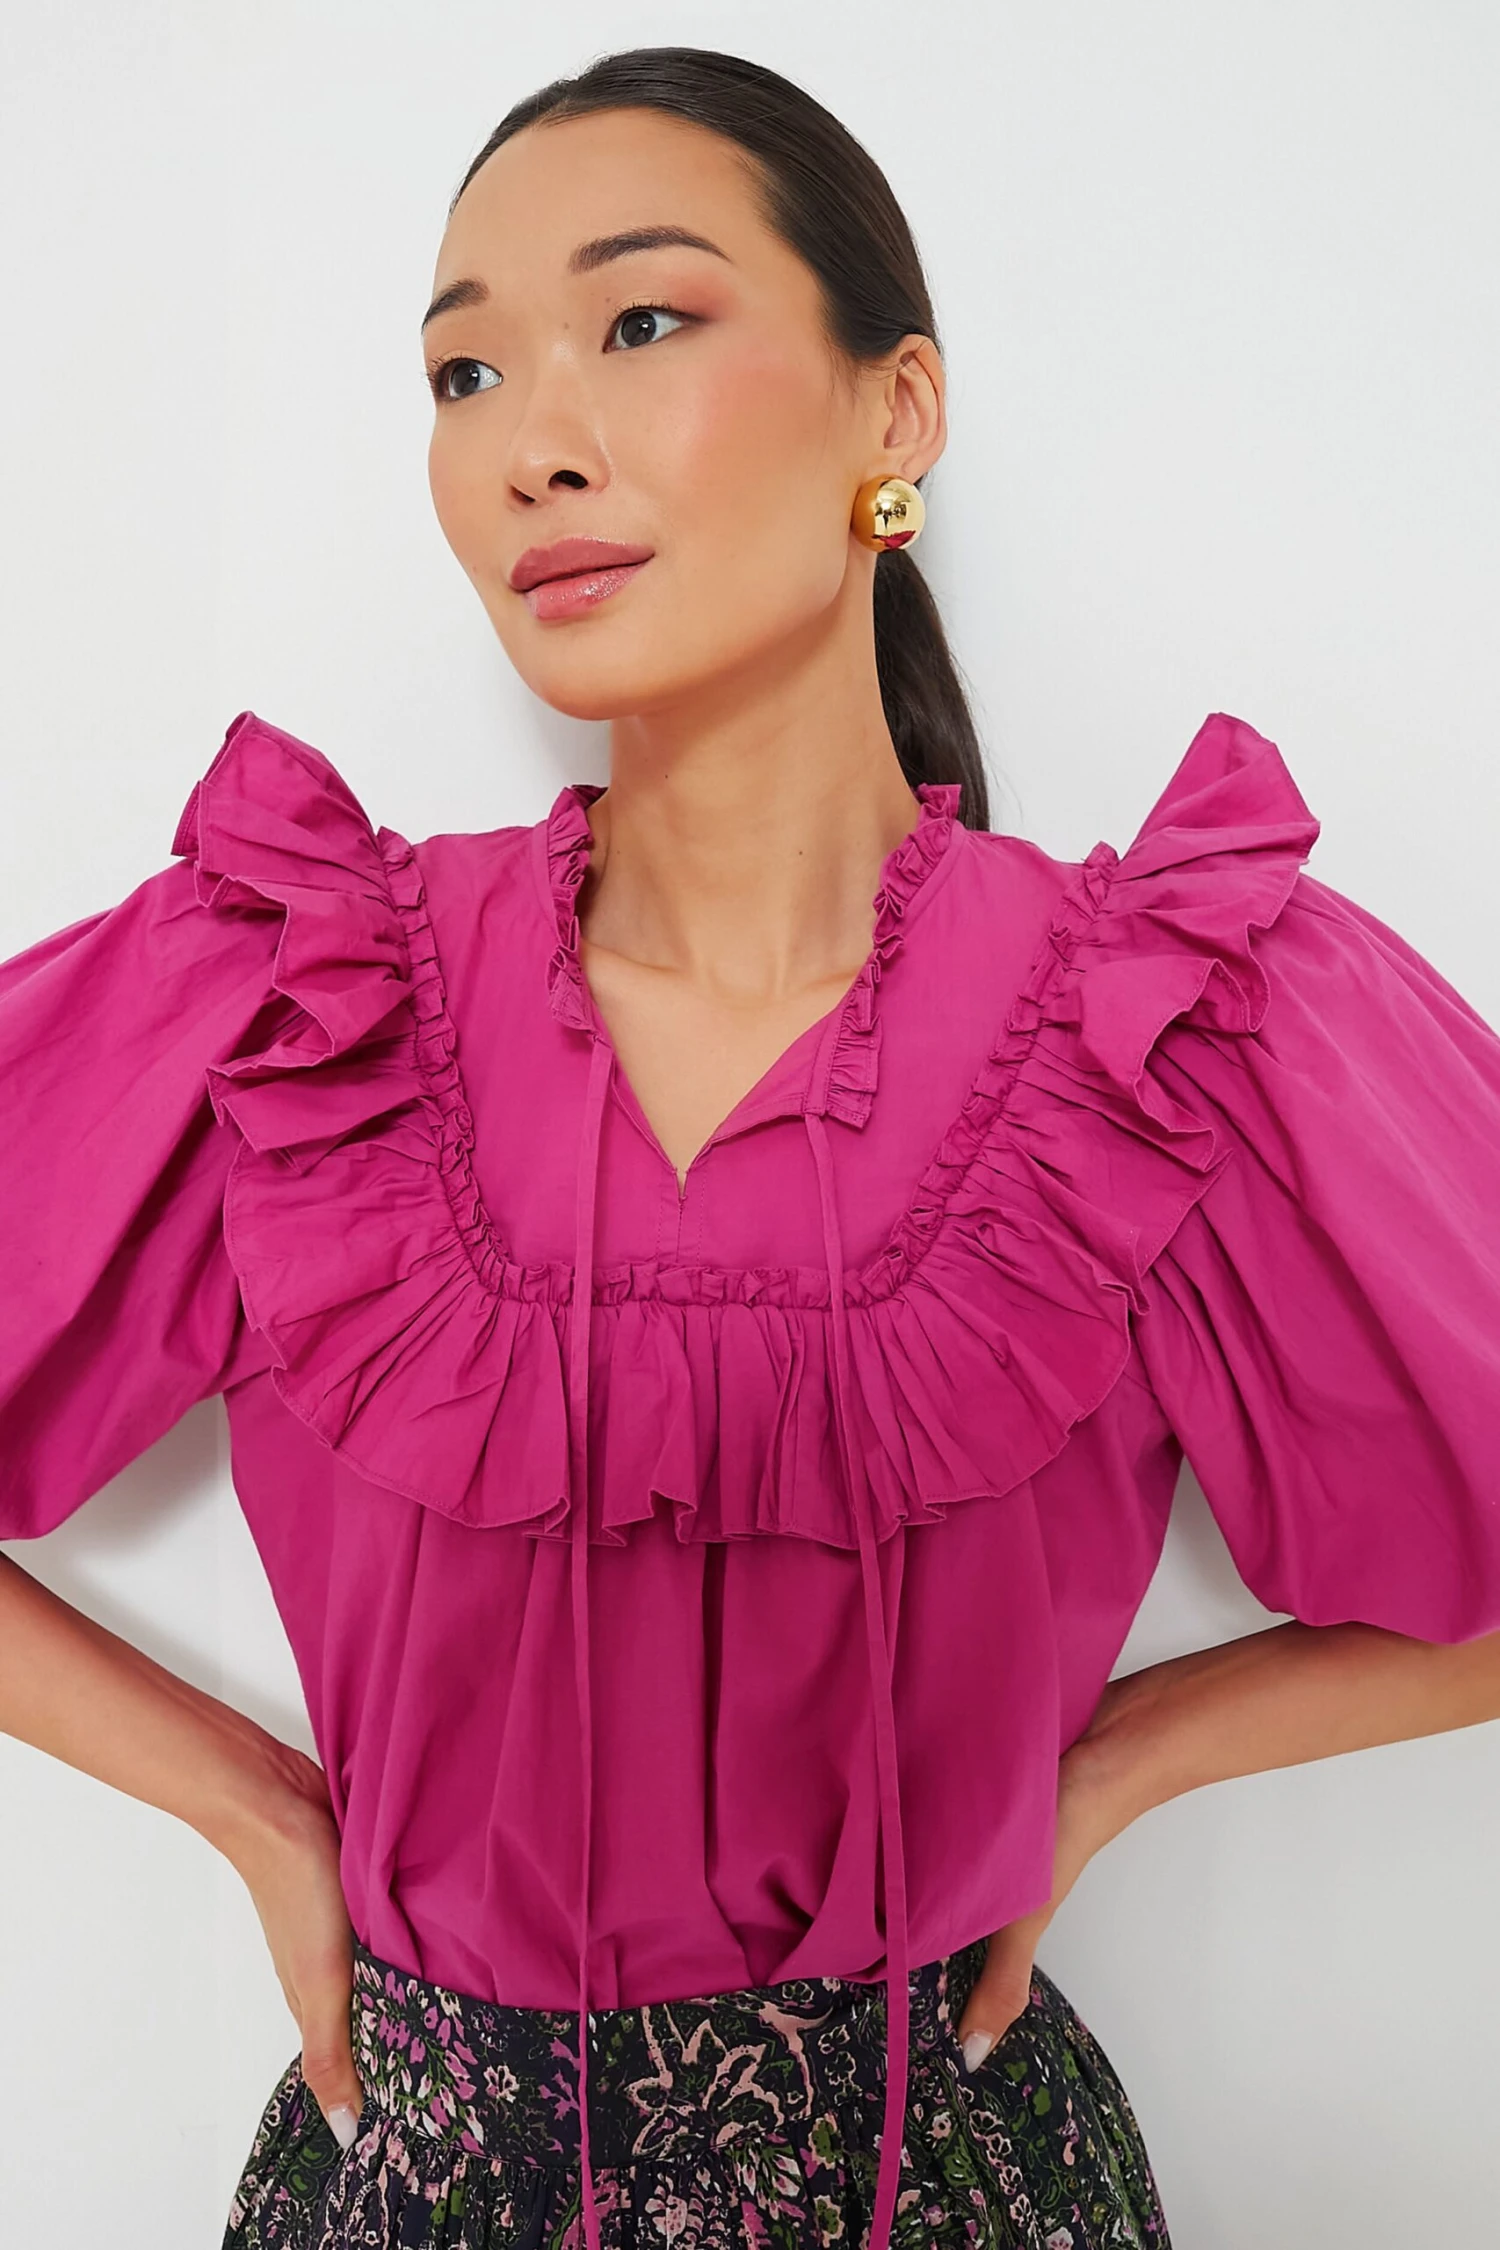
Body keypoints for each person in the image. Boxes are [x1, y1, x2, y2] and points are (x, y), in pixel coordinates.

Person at [3, 42, 1500, 2250]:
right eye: (464, 371)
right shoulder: (295, 999)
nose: (532, 440)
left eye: (640, 320)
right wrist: (248, 1805)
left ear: (898, 413)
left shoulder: (1175, 1025)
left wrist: (1130, 1755)